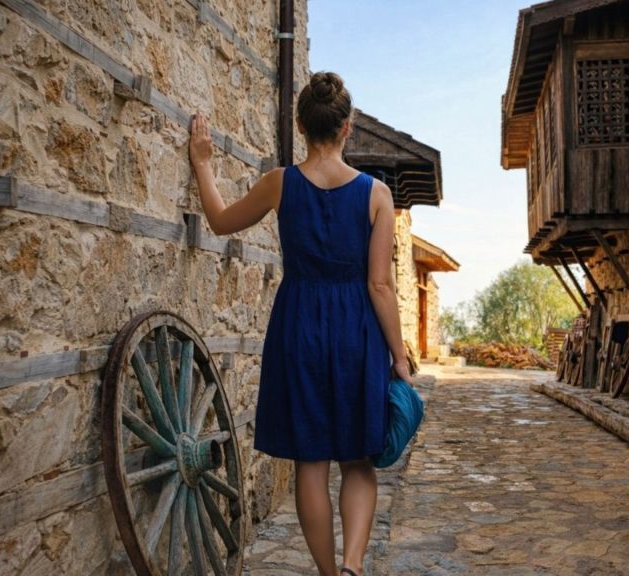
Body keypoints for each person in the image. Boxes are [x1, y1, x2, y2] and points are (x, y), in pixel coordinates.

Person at [188, 71, 412, 576]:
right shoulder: (377, 195)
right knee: (357, 459)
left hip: (299, 326)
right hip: (358, 332)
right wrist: (398, 355)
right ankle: (354, 566)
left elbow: (221, 221)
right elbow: (380, 285)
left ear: (300, 125)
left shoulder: (279, 183)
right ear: (347, 128)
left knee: (310, 462)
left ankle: (331, 575)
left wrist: (203, 164)